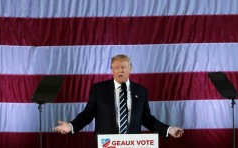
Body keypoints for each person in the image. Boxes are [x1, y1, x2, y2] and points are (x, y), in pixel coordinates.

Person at [53, 54, 184, 141]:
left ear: (130, 69)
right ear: (111, 70)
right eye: (116, 68)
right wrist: (71, 126)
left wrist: (169, 129)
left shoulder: (141, 90)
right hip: (105, 144)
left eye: (123, 67)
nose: (120, 70)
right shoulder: (99, 89)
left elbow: (146, 119)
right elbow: (87, 114)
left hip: (132, 144)